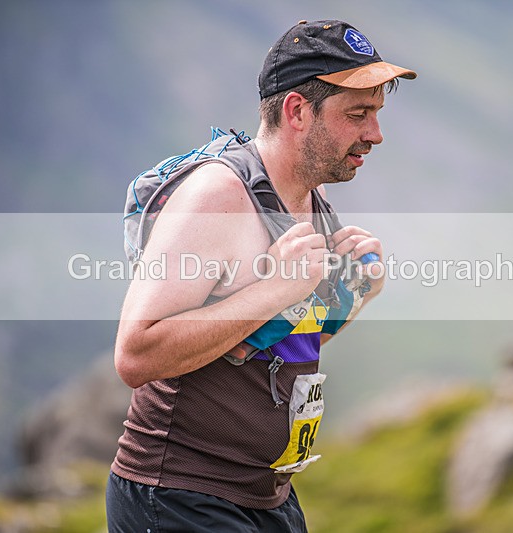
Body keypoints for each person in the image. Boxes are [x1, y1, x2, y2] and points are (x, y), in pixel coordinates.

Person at [106, 19, 416, 532]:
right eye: (358, 114)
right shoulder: (218, 197)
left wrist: (358, 295)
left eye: (377, 114)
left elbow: (275, 341)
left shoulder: (308, 200)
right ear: (297, 110)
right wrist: (278, 288)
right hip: (180, 496)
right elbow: (136, 355)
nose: (375, 134)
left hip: (266, 496)